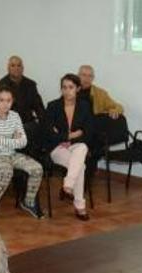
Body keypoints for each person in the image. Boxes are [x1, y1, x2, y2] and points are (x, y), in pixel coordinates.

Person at [0, 86, 44, 220]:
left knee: (37, 168)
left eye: (8, 100)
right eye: (2, 100)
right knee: (6, 171)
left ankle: (28, 202)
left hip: (11, 154)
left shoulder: (15, 116)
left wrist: (2, 139)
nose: (5, 104)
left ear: (12, 101)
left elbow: (23, 142)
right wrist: (12, 139)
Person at [46, 73, 92, 221]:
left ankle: (68, 185)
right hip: (57, 148)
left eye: (71, 87)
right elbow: (47, 133)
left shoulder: (85, 106)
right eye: (64, 87)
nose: (67, 91)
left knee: (83, 146)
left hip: (76, 146)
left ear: (78, 89)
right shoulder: (52, 106)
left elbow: (89, 132)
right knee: (81, 167)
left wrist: (71, 138)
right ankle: (79, 205)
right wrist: (70, 136)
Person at [0, 56, 45, 124]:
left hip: (28, 124)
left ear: (22, 68)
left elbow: (39, 108)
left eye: (19, 65)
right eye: (13, 65)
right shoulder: (1, 85)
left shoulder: (30, 85)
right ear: (8, 68)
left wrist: (43, 124)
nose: (16, 68)